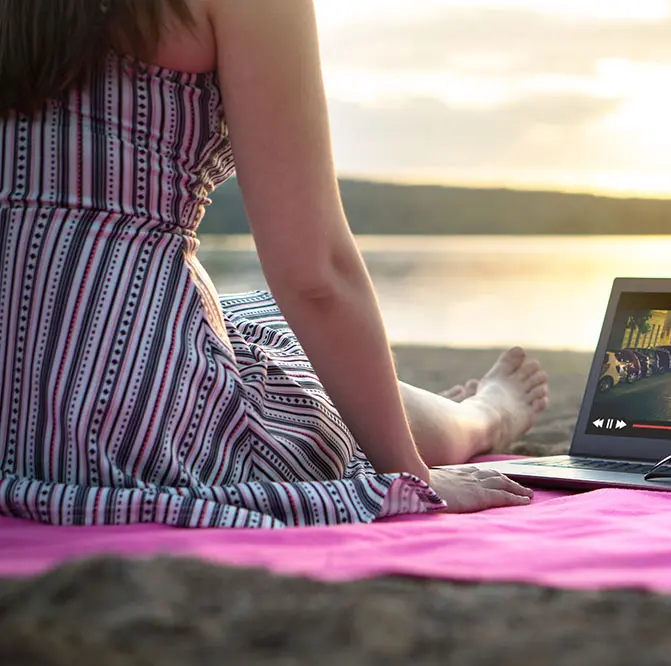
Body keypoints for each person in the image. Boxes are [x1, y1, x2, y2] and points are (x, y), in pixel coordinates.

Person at [0, 0, 548, 528]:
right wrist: (410, 478)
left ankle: (423, 413)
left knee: (256, 337)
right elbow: (317, 275)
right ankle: (483, 417)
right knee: (292, 367)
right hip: (121, 413)